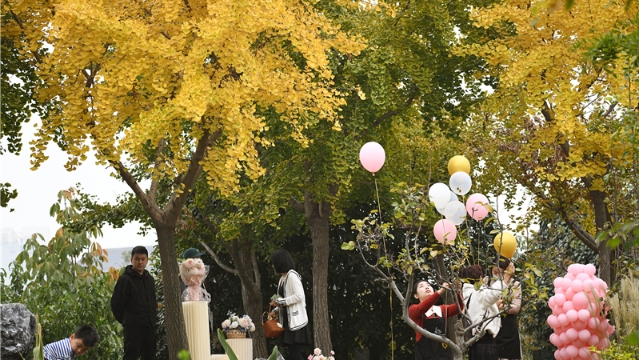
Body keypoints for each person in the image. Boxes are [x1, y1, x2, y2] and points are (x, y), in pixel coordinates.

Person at [111, 246, 157, 360]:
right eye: (137, 259)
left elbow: (152, 301)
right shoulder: (125, 279)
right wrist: (128, 321)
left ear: (147, 260)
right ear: (131, 260)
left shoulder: (149, 279)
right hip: (133, 328)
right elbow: (116, 304)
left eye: (143, 259)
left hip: (150, 326)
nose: (140, 262)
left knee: (150, 356)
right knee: (131, 356)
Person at [269, 249, 312, 360]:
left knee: (295, 353)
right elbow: (284, 301)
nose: (273, 266)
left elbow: (299, 296)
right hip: (288, 322)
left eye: (274, 263)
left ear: (280, 263)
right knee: (293, 354)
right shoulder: (282, 279)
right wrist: (275, 311)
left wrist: (278, 302)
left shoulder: (292, 276)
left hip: (296, 321)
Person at [460, 264, 510, 360]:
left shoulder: (466, 293)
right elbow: (494, 293)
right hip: (484, 340)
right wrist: (507, 276)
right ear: (479, 278)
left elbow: (479, 309)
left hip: (474, 341)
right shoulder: (477, 293)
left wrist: (494, 307)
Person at [409, 280, 462, 360]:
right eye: (421, 286)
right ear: (416, 296)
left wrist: (459, 291)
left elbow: (459, 307)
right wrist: (440, 292)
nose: (426, 287)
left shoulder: (442, 309)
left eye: (428, 285)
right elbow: (422, 308)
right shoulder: (413, 309)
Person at [489, 258, 522, 360]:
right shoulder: (486, 282)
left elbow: (516, 307)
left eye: (501, 273)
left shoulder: (514, 284)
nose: (497, 275)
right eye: (495, 272)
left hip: (507, 328)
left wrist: (499, 307)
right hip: (489, 325)